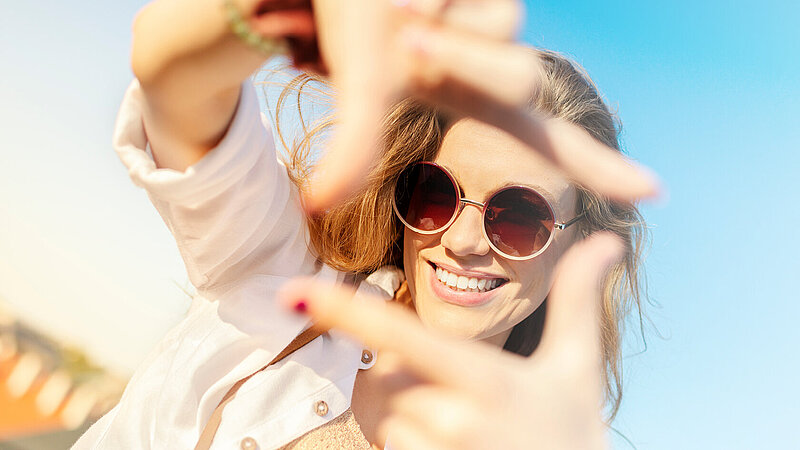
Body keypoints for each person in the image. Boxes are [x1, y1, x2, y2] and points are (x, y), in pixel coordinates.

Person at [73, 0, 658, 448]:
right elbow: (170, 79)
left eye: (521, 217)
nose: (460, 241)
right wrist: (281, 15)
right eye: (436, 193)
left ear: (579, 243)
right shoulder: (287, 273)